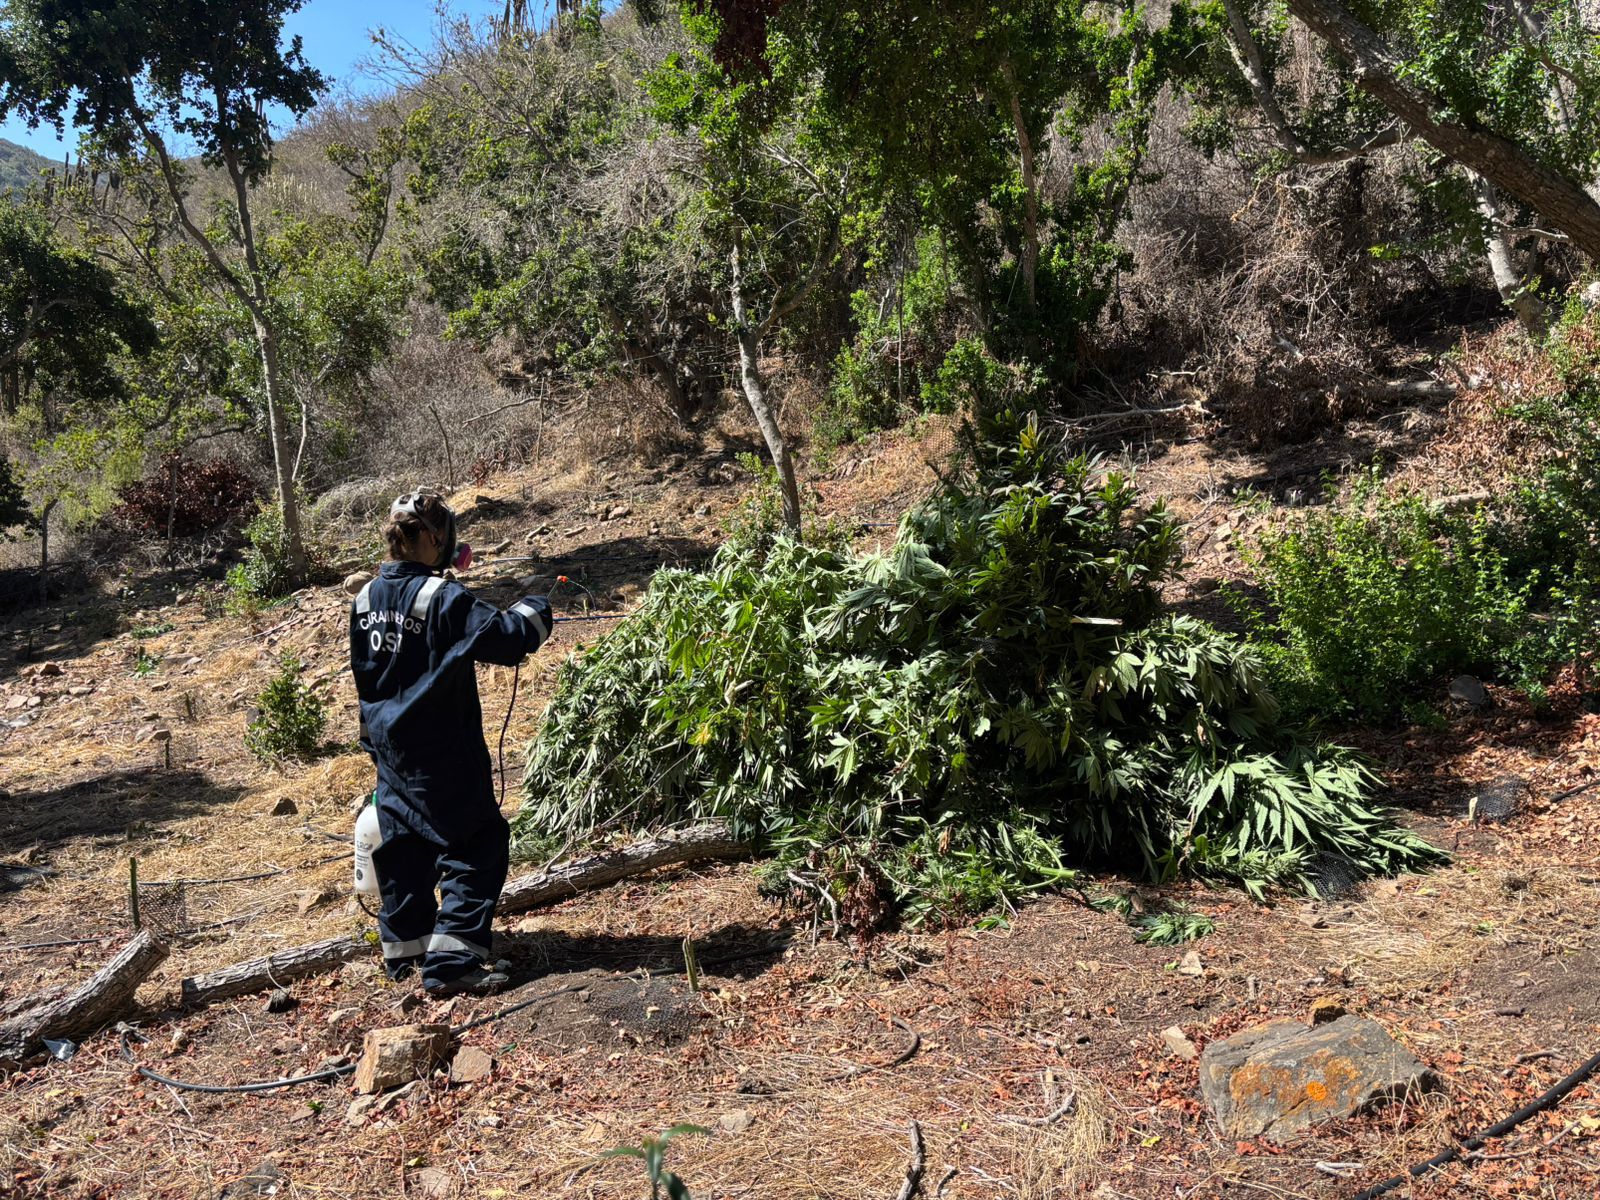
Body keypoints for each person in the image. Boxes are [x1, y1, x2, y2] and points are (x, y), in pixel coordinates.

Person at [349, 488, 551, 997]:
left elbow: (366, 676)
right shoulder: (441, 597)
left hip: (390, 750)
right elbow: (507, 639)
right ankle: (452, 963)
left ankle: (405, 958)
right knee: (475, 845)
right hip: (441, 752)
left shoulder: (364, 598)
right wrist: (537, 606)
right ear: (437, 540)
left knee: (405, 850)